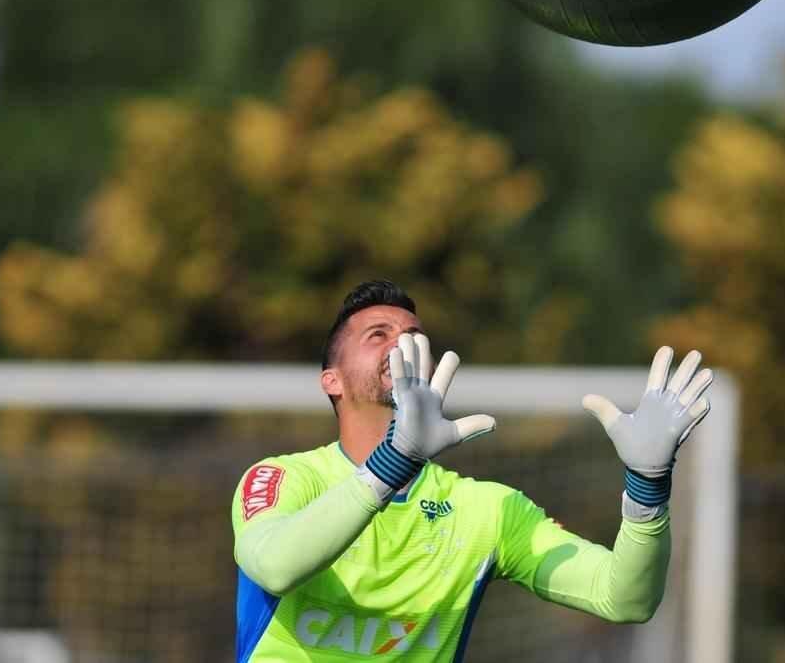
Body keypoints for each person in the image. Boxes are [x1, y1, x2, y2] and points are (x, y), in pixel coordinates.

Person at [231, 280, 713, 661]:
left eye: (415, 338)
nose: (402, 345)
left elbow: (624, 598)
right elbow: (276, 567)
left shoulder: (487, 510)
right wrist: (393, 462)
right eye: (378, 335)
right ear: (330, 381)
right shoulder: (282, 478)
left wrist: (648, 487)